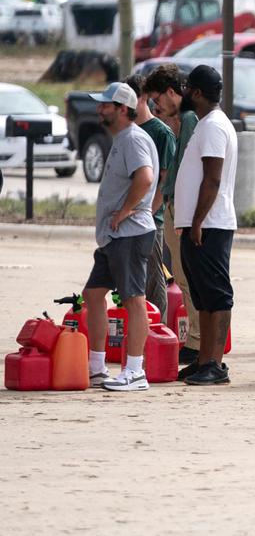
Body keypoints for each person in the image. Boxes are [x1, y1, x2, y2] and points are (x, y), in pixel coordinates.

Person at [81, 82, 158, 392]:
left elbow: (146, 177)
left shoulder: (133, 139)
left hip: (130, 233)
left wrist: (125, 210)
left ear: (123, 109)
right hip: (115, 236)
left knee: (133, 299)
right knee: (93, 294)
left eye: (105, 105)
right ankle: (97, 368)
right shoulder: (122, 139)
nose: (99, 109)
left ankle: (135, 372)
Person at [174, 66, 238, 386]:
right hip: (198, 223)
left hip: (210, 224)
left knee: (216, 295)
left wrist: (198, 221)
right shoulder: (206, 124)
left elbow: (212, 179)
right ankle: (203, 360)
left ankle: (215, 364)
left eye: (187, 88)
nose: (183, 93)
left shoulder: (214, 125)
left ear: (197, 93)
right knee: (202, 296)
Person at [144, 64, 200, 365]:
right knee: (180, 275)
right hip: (176, 206)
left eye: (158, 99)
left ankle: (196, 340)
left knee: (187, 277)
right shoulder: (181, 119)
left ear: (170, 91)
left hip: (181, 207)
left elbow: (184, 167)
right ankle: (195, 338)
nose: (157, 107)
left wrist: (178, 209)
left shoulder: (189, 119)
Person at [125, 72, 176, 316]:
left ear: (144, 97)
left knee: (154, 283)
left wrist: (147, 213)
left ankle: (158, 330)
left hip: (150, 220)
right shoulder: (127, 131)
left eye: (131, 99)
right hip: (128, 218)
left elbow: (164, 183)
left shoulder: (161, 133)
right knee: (132, 284)